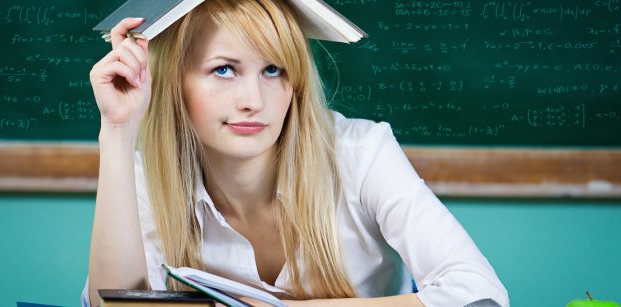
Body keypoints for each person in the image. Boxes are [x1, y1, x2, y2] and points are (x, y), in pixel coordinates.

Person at [83, 0, 509, 306]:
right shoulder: (148, 178)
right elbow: (112, 304)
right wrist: (118, 132)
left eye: (273, 70)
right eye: (224, 70)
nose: (253, 99)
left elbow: (479, 293)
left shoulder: (360, 152)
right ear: (175, 82)